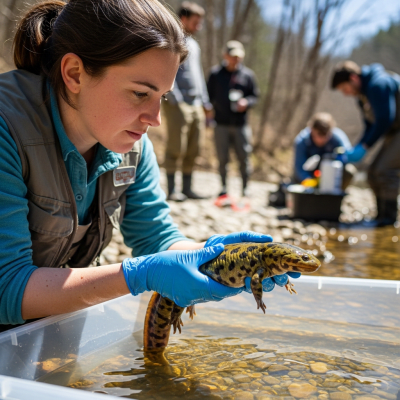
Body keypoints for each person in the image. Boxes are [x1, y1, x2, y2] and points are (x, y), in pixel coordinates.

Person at [0, 0, 298, 331]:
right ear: (74, 73)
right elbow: (5, 288)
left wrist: (215, 257)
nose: (154, 119)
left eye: (163, 97)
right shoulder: (6, 127)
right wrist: (138, 275)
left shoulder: (132, 144)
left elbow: (155, 237)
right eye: (141, 93)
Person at [331, 61, 400, 226]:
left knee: (385, 170)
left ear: (354, 78)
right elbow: (369, 126)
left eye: (345, 88)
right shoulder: (362, 97)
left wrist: (365, 147)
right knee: (372, 172)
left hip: (396, 130)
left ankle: (389, 221)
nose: (346, 93)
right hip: (394, 132)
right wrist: (357, 147)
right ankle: (381, 217)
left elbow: (384, 120)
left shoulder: (378, 84)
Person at [163, 1, 212, 201]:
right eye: (195, 22)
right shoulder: (172, 39)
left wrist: (205, 101)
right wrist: (175, 97)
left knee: (194, 147)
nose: (198, 26)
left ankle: (187, 188)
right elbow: (167, 69)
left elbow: (198, 75)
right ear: (183, 19)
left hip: (196, 103)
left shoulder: (195, 44)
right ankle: (173, 190)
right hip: (178, 102)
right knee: (177, 145)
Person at [207, 40, 259, 198]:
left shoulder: (248, 75)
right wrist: (209, 114)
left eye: (239, 57)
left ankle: (245, 187)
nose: (236, 60)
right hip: (221, 123)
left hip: (240, 124)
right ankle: (223, 187)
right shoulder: (215, 74)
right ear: (225, 56)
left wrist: (247, 103)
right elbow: (207, 96)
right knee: (223, 158)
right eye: (233, 56)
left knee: (244, 157)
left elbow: (255, 96)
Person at [293, 112, 353, 188]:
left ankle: (336, 196)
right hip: (310, 175)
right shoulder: (302, 141)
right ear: (311, 130)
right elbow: (299, 167)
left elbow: (347, 158)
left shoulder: (337, 139)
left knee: (349, 170)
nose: (321, 140)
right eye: (318, 135)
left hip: (331, 173)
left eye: (325, 136)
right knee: (297, 177)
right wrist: (308, 181)